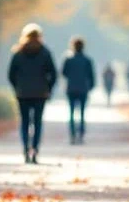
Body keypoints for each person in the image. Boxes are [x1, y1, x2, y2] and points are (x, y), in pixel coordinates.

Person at [8, 23, 56, 164]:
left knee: (24, 122)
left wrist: (16, 87)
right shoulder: (45, 52)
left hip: (22, 93)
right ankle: (35, 150)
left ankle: (25, 149)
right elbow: (53, 73)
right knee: (37, 122)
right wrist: (49, 88)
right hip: (40, 93)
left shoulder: (18, 52)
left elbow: (11, 74)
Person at [61, 37, 95, 145]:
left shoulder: (68, 59)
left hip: (71, 89)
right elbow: (91, 76)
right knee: (82, 113)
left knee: (71, 113)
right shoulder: (87, 60)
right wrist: (90, 87)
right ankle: (81, 135)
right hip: (83, 89)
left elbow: (63, 73)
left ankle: (72, 135)